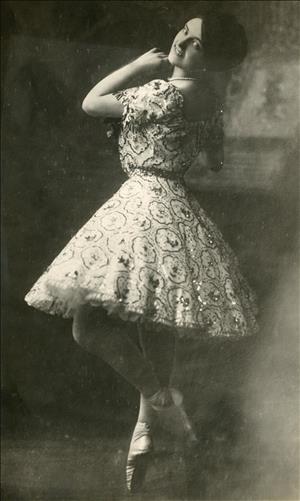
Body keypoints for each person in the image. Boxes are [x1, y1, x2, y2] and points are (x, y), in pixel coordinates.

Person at [25, 12, 258, 494]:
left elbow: (92, 103)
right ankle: (147, 429)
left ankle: (162, 406)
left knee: (88, 325)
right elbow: (215, 163)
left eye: (194, 41)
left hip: (143, 205)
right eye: (186, 30)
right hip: (174, 204)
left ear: (208, 56)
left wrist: (135, 66)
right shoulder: (210, 99)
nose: (182, 39)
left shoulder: (163, 92)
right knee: (155, 324)